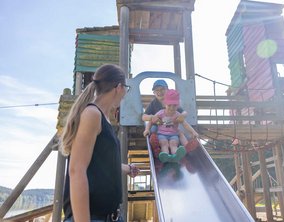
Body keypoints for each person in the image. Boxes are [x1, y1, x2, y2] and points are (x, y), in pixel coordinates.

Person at [60, 64, 139, 222]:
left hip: (110, 216)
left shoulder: (104, 119)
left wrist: (127, 168)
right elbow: (76, 170)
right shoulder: (92, 114)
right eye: (126, 89)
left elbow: (101, 163)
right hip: (91, 217)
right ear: (119, 87)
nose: (125, 94)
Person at [144, 89, 199, 163]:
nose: (172, 108)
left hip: (174, 135)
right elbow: (151, 121)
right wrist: (147, 129)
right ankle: (165, 156)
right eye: (169, 105)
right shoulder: (161, 113)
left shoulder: (177, 115)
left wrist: (193, 132)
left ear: (178, 105)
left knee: (173, 144)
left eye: (175, 105)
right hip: (162, 134)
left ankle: (176, 156)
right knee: (164, 143)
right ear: (164, 104)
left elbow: (185, 124)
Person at [142, 79, 188, 146]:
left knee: (180, 131)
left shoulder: (172, 101)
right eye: (157, 90)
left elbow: (184, 112)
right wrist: (152, 117)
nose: (160, 92)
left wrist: (182, 116)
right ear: (154, 93)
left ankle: (186, 147)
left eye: (162, 89)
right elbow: (144, 117)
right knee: (153, 129)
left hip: (171, 126)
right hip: (159, 126)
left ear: (167, 90)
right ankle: (155, 144)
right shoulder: (154, 103)